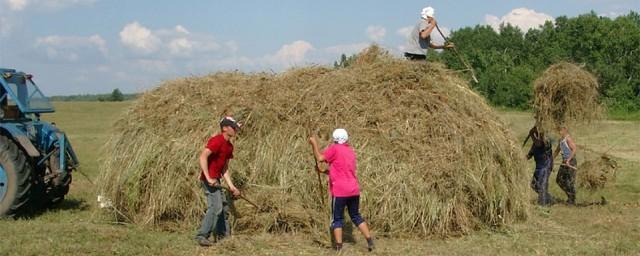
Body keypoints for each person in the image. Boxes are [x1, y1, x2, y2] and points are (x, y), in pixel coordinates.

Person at [308, 128, 374, 252]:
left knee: (337, 218)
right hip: (354, 190)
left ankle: (338, 247)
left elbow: (320, 158)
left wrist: (314, 143)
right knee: (355, 216)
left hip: (340, 191)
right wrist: (325, 171)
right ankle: (370, 241)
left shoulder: (335, 148)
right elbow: (343, 172)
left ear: (334, 138)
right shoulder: (350, 151)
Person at [194, 116, 242, 247]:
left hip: (217, 180)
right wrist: (208, 177)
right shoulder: (217, 140)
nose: (235, 130)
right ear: (225, 128)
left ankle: (222, 236)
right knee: (216, 207)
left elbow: (224, 168)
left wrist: (232, 186)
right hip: (209, 180)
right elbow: (203, 157)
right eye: (233, 127)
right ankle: (202, 235)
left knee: (224, 207)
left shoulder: (229, 146)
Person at [525, 126, 553, 206]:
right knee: (533, 184)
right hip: (539, 167)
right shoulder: (535, 144)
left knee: (542, 185)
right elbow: (529, 155)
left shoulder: (546, 141)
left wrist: (531, 134)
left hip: (546, 166)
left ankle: (543, 205)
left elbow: (540, 144)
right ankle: (549, 198)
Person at [553, 126, 578, 205]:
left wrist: (569, 159)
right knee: (559, 180)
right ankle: (570, 196)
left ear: (565, 130)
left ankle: (572, 199)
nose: (559, 132)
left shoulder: (568, 139)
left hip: (571, 162)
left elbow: (574, 149)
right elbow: (557, 151)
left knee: (569, 182)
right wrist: (551, 159)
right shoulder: (561, 140)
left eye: (560, 130)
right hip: (564, 163)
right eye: (558, 130)